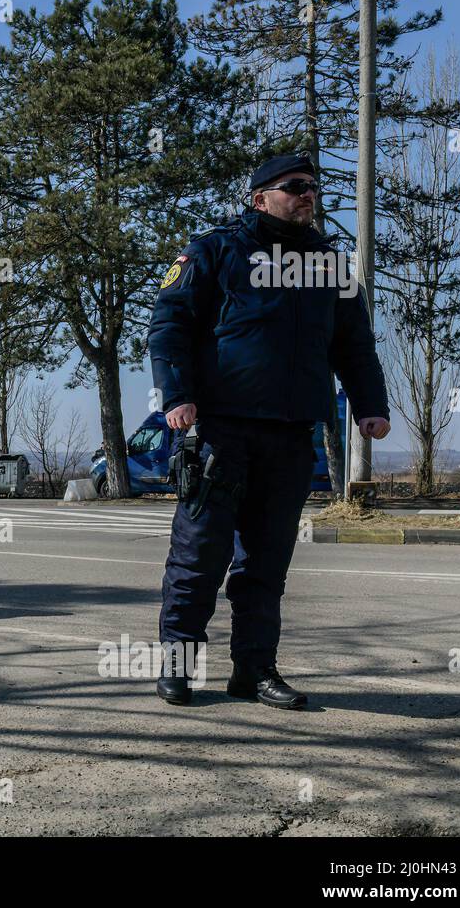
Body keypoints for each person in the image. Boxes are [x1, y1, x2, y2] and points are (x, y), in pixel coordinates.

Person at [147, 152, 391, 710]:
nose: (308, 194)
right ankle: (180, 669)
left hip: (291, 435)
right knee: (199, 556)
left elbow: (354, 343)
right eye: (294, 186)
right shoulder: (216, 251)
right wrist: (178, 395)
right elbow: (169, 325)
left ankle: (253, 672)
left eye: (312, 186)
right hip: (222, 433)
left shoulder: (330, 265)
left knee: (266, 563)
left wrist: (369, 405)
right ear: (260, 198)